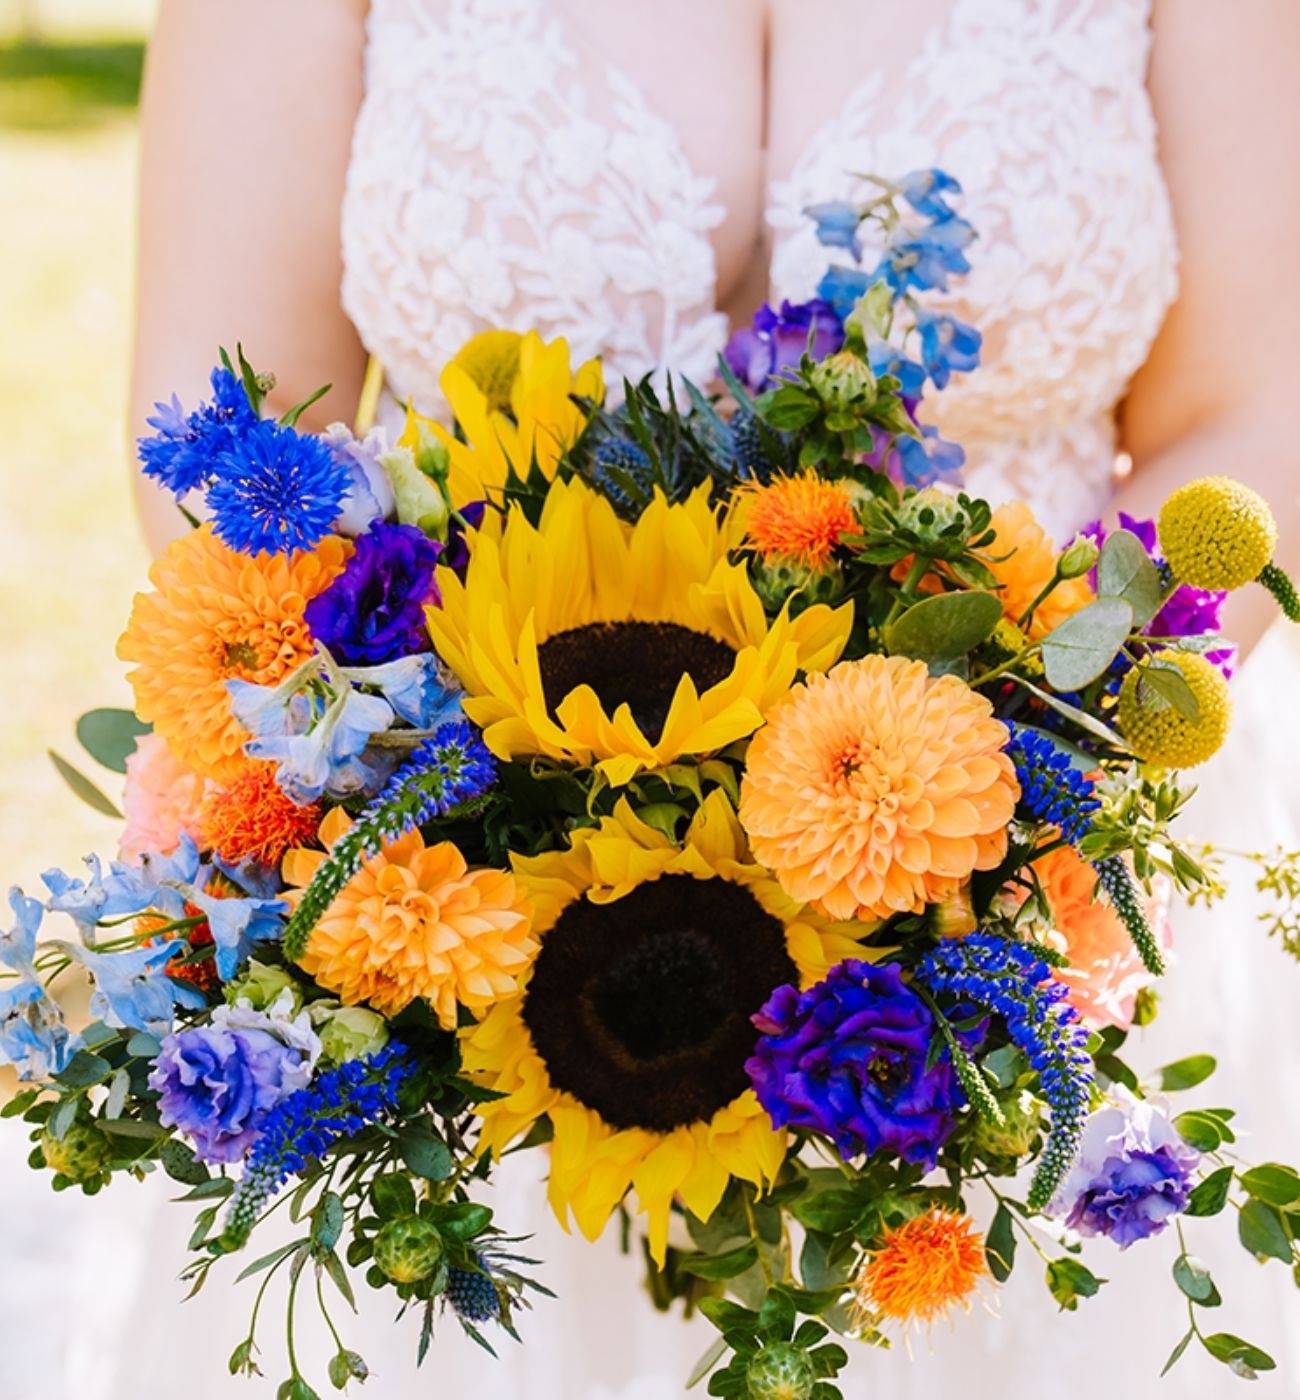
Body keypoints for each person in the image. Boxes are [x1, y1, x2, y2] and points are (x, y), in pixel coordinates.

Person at [101, 1, 1300, 1395]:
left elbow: (1251, 417)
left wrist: (985, 783)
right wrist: (483, 801)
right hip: (458, 902)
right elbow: (227, 433)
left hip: (1031, 896)